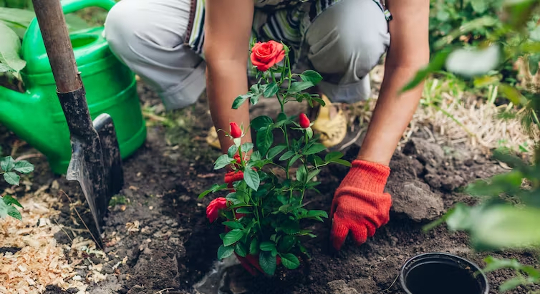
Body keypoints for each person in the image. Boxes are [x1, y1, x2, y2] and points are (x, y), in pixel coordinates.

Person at [104, 0, 430, 250]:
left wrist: (369, 172)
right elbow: (227, 55)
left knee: (358, 33)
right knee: (129, 25)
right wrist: (240, 175)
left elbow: (410, 60)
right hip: (231, 12)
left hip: (327, 15)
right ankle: (235, 110)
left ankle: (318, 99)